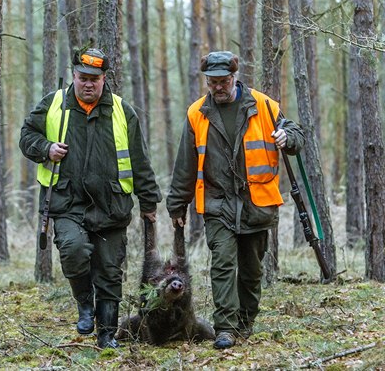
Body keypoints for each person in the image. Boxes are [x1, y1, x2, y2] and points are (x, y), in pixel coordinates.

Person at [19, 48, 162, 349]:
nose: (88, 84)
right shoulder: (54, 104)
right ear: (73, 76)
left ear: (104, 79)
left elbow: (140, 161)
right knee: (73, 249)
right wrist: (46, 148)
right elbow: (27, 136)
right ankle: (84, 304)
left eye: (94, 79)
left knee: (110, 271)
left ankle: (107, 334)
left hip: (111, 206)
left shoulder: (123, 111)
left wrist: (149, 203)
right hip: (67, 203)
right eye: (82, 78)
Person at [166, 51, 305, 349]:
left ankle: (245, 321)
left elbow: (295, 132)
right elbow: (185, 164)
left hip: (256, 203)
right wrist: (177, 204)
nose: (217, 87)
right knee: (223, 265)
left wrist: (287, 138)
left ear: (234, 78)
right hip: (217, 203)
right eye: (212, 82)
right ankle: (225, 328)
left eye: (223, 81)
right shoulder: (197, 113)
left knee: (252, 269)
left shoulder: (264, 105)